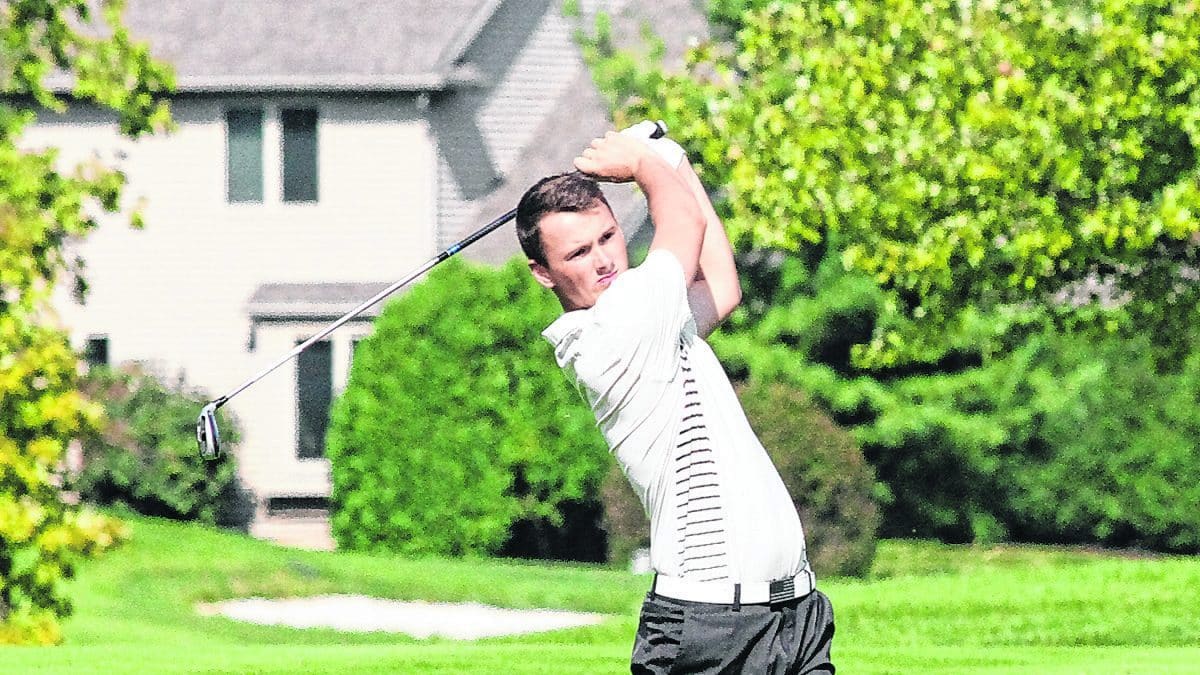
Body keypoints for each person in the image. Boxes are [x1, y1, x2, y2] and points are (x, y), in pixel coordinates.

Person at [515, 126, 835, 674]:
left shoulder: (653, 317)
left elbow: (723, 287)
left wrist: (671, 156)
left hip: (793, 615)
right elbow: (683, 222)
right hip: (710, 629)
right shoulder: (614, 330)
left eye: (608, 237)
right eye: (578, 253)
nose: (603, 260)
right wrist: (643, 162)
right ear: (543, 273)